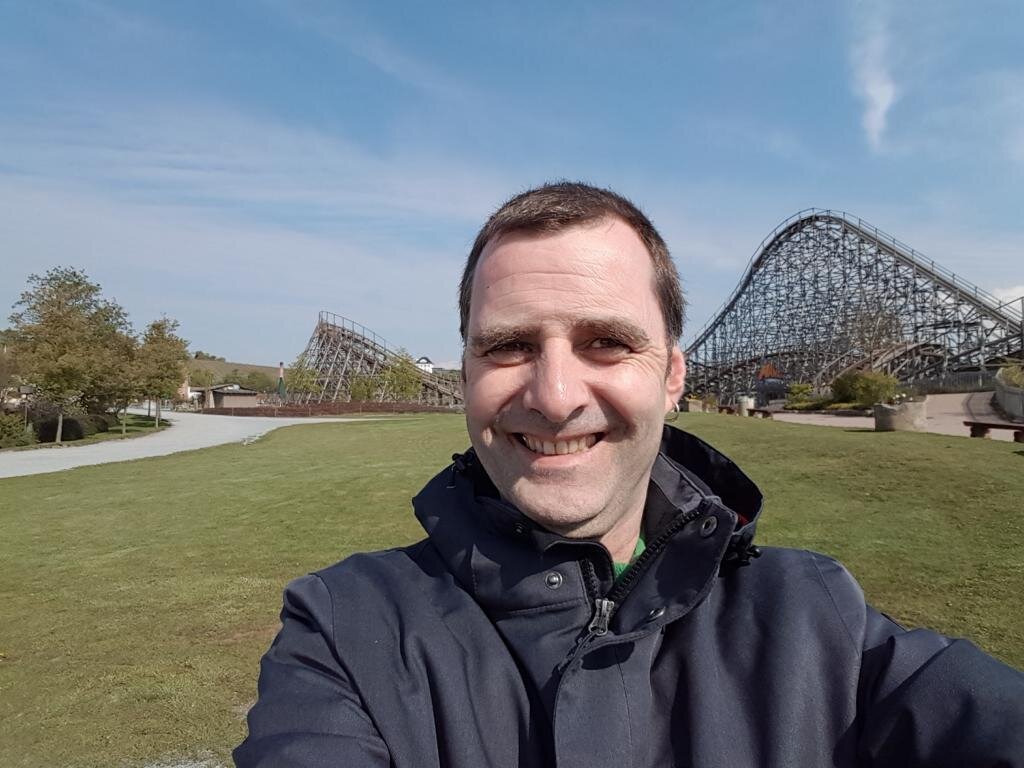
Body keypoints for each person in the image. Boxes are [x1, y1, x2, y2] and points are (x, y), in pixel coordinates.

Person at [234, 182, 1024, 767]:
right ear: (467, 373)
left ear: (673, 376)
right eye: (508, 346)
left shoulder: (817, 622)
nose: (554, 397)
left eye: (607, 342)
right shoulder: (345, 629)